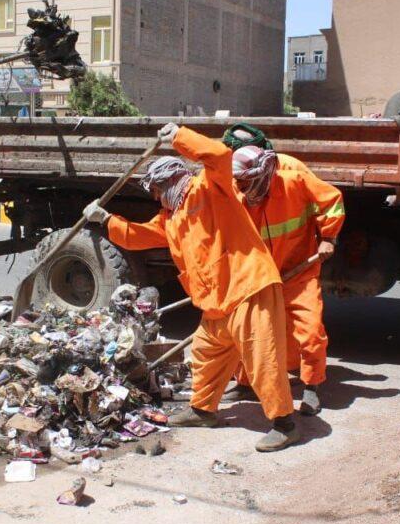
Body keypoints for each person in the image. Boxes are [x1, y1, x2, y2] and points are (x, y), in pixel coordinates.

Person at [82, 123, 300, 452]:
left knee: (262, 359)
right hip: (217, 302)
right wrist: (106, 219)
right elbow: (137, 236)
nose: (157, 198)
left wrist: (179, 137)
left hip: (248, 288)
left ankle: (285, 424)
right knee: (205, 354)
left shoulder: (210, 187)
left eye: (157, 191)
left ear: (170, 181)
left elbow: (219, 155)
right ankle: (202, 410)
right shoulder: (171, 218)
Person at [225, 124, 345, 415]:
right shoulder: (235, 180)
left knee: (310, 331)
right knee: (249, 330)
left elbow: (331, 200)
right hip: (259, 273)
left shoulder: (292, 176)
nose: (240, 186)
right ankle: (245, 382)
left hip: (298, 268)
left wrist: (328, 237)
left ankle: (312, 386)